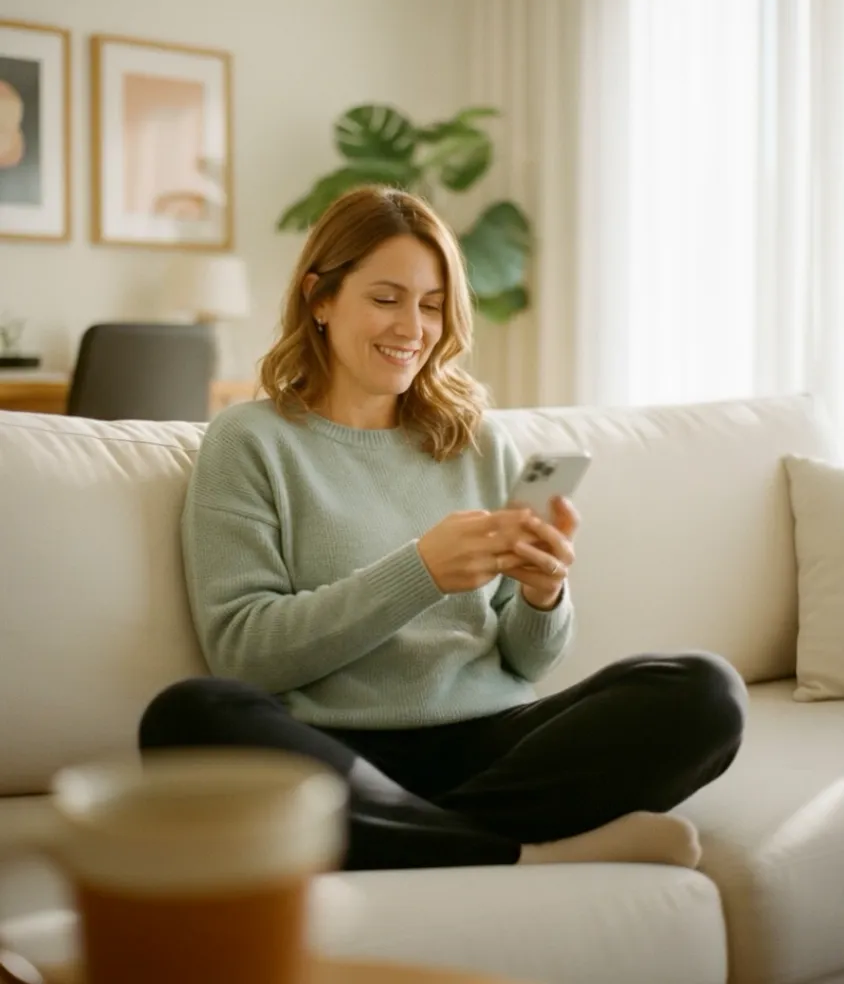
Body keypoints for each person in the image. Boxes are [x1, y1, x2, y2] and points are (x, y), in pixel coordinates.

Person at [140, 186, 746, 871]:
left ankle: (413, 837)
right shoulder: (250, 441)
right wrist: (420, 572)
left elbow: (528, 662)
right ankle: (519, 851)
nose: (412, 328)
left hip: (490, 741)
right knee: (189, 717)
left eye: (431, 306)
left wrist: (544, 595)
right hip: (334, 749)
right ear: (320, 298)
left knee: (704, 690)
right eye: (386, 298)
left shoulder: (478, 443)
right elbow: (244, 654)